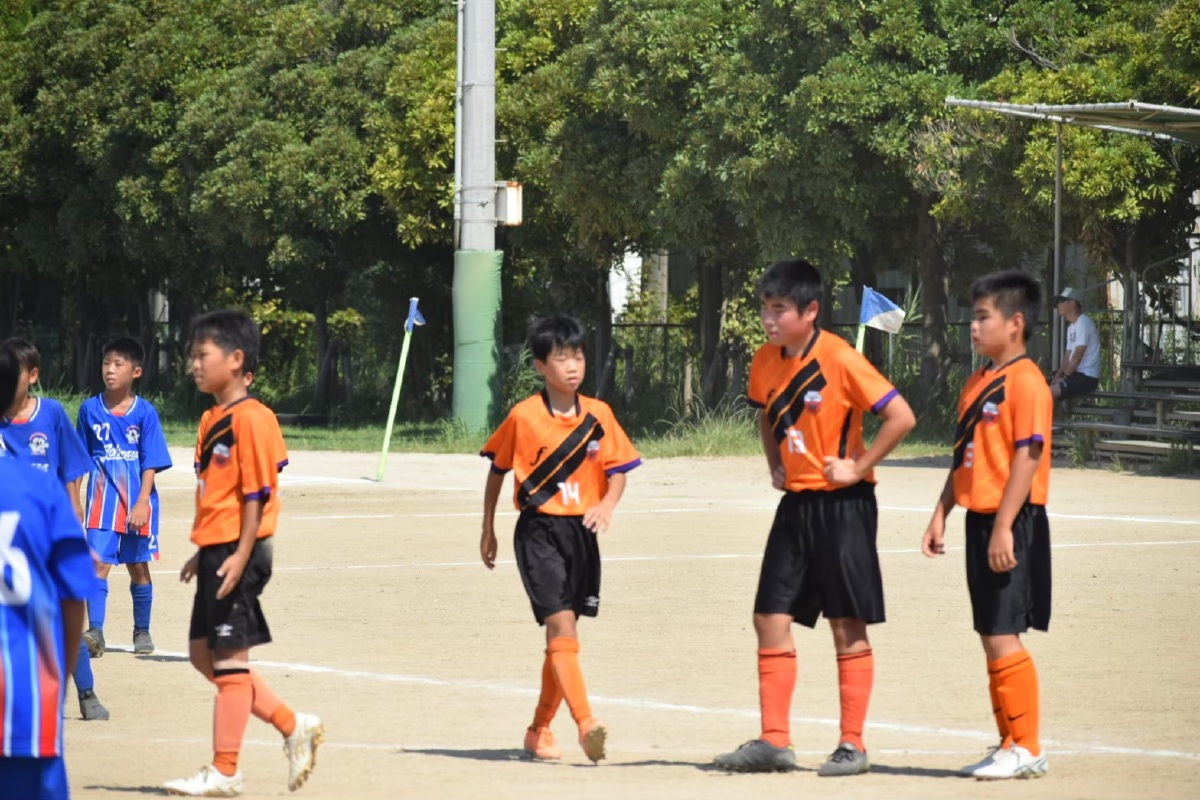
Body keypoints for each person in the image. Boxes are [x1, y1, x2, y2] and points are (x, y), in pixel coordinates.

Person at [713, 259, 915, 776]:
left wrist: (858, 467)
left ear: (810, 311)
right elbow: (766, 414)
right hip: (796, 506)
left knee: (846, 623)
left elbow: (901, 416)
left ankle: (852, 745)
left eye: (779, 309)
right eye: (765, 308)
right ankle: (774, 742)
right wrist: (774, 464)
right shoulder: (765, 360)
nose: (769, 319)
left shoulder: (841, 358)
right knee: (769, 617)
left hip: (845, 507)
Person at [162, 310, 323, 797]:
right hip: (218, 547)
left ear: (236, 360)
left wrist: (240, 552)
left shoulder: (252, 418)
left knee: (231, 661)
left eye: (202, 355)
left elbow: (256, 493)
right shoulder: (212, 418)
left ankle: (225, 768)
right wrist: (203, 550)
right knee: (202, 655)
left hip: (240, 549)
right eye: (192, 355)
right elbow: (218, 492)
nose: (193, 364)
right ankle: (292, 724)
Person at [479, 315, 641, 764]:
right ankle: (586, 724)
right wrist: (488, 528)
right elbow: (497, 471)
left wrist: (607, 504)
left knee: (562, 635)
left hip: (581, 534)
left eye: (579, 356)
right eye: (561, 358)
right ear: (539, 366)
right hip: (539, 532)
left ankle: (538, 730)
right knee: (562, 626)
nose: (573, 366)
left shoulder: (599, 415)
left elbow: (618, 472)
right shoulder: (523, 416)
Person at [921, 270, 1052, 780]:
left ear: (1015, 323)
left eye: (982, 317)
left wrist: (1002, 527)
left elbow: (1029, 457)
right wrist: (941, 512)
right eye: (972, 318)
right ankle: (1009, 743)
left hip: (1011, 520)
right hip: (980, 518)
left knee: (1003, 634)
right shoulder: (977, 382)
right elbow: (964, 458)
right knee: (989, 633)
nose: (972, 327)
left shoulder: (1027, 381)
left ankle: (1029, 746)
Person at [0, 344, 100, 800]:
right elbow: (73, 599)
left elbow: (73, 470)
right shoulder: (38, 488)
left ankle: (89, 692)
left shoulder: (52, 417)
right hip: (23, 701)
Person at [77, 336, 173, 658]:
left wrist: (143, 500)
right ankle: (95, 631)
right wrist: (73, 501)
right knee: (96, 563)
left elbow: (151, 461)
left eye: (118, 364)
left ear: (136, 372)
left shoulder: (145, 413)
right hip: (101, 504)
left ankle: (141, 629)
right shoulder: (89, 410)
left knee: (137, 567)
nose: (110, 370)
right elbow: (79, 460)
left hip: (136, 504)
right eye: (106, 363)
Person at [1048, 287, 1099, 400]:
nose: (1058, 305)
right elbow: (1067, 357)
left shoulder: (1083, 322)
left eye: (1061, 301)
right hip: (1075, 375)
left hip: (1086, 377)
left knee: (1043, 393)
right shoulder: (1071, 327)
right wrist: (1057, 376)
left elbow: (1077, 357)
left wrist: (1064, 377)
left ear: (1072, 303)